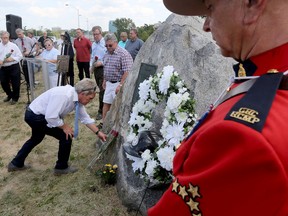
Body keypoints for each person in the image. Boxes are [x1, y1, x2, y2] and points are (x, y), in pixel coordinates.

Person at [148, 0, 288, 215]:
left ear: (251, 4)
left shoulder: (242, 136)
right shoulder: (261, 80)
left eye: (210, 8)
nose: (205, 25)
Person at [7, 78, 107, 175]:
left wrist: (98, 132)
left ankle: (16, 163)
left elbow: (85, 118)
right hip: (35, 116)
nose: (90, 101)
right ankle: (61, 168)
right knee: (66, 136)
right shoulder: (64, 96)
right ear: (82, 94)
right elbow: (51, 117)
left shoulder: (76, 99)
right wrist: (64, 127)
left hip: (35, 115)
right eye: (90, 98)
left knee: (36, 138)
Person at [102, 33, 133, 121]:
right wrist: (105, 80)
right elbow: (106, 67)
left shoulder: (123, 54)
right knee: (106, 103)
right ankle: (104, 124)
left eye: (110, 45)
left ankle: (116, 126)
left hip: (118, 83)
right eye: (106, 46)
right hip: (109, 83)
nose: (108, 47)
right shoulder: (106, 53)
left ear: (115, 43)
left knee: (117, 106)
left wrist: (120, 85)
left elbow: (127, 71)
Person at [0, 31, 22, 104]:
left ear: (8, 37)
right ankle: (10, 94)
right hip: (3, 67)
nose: (5, 39)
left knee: (15, 83)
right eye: (3, 38)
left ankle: (15, 98)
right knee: (3, 82)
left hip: (13, 66)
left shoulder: (13, 46)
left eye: (6, 38)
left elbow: (20, 56)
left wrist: (12, 59)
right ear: (1, 38)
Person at [90, 26, 106, 121]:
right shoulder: (93, 45)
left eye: (97, 34)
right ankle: (104, 108)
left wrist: (102, 62)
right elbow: (92, 56)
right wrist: (90, 67)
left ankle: (101, 111)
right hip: (96, 69)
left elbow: (109, 56)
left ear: (101, 33)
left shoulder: (105, 43)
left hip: (104, 68)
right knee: (100, 88)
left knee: (102, 91)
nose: (95, 36)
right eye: (94, 34)